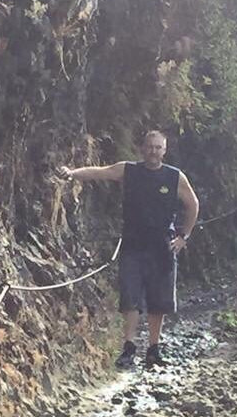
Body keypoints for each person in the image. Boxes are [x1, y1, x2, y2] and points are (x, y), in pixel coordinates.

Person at [58, 130, 199, 369]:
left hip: (163, 247)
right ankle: (129, 347)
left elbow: (193, 204)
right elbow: (100, 172)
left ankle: (153, 349)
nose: (153, 151)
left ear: (164, 151)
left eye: (158, 147)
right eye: (150, 146)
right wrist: (72, 174)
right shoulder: (129, 170)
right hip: (133, 244)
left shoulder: (175, 177)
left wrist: (183, 236)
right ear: (142, 148)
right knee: (130, 297)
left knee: (159, 300)